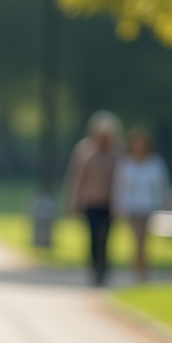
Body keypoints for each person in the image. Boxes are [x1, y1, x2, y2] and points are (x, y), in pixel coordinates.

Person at [64, 110, 122, 286]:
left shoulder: (118, 152)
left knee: (107, 238)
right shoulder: (84, 150)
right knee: (93, 236)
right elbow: (76, 178)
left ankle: (104, 267)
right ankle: (95, 268)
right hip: (90, 201)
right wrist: (73, 201)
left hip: (111, 202)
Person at [112, 128, 171, 281]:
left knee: (143, 240)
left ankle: (140, 269)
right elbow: (120, 187)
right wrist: (119, 206)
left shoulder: (155, 163)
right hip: (131, 208)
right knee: (138, 239)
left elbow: (161, 186)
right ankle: (139, 270)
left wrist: (163, 203)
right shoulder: (125, 163)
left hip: (149, 207)